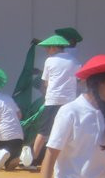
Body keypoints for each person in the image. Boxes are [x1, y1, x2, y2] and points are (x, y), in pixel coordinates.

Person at [29, 34, 81, 168]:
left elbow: (46, 83)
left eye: (47, 48)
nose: (46, 50)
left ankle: (33, 160)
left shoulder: (50, 61)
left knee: (43, 131)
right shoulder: (74, 61)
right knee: (69, 132)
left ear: (53, 48)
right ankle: (70, 160)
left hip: (53, 100)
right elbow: (80, 79)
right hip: (69, 101)